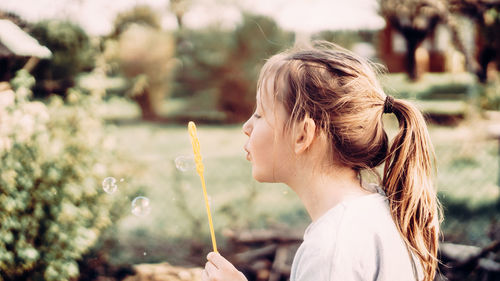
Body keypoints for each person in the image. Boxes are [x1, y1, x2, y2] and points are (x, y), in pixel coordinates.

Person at [201, 41, 441, 281]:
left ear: (303, 135)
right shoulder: (380, 213)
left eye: (260, 113)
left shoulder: (332, 250)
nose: (247, 126)